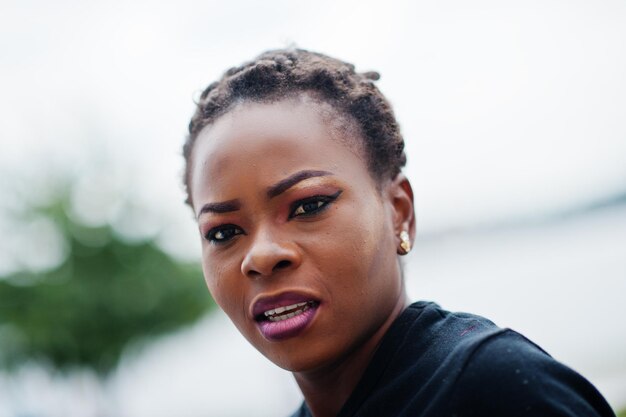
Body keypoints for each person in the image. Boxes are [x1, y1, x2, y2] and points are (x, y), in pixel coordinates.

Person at [181, 48, 615, 417]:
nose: (260, 256)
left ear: (398, 213)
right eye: (222, 233)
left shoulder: (496, 390)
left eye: (308, 206)